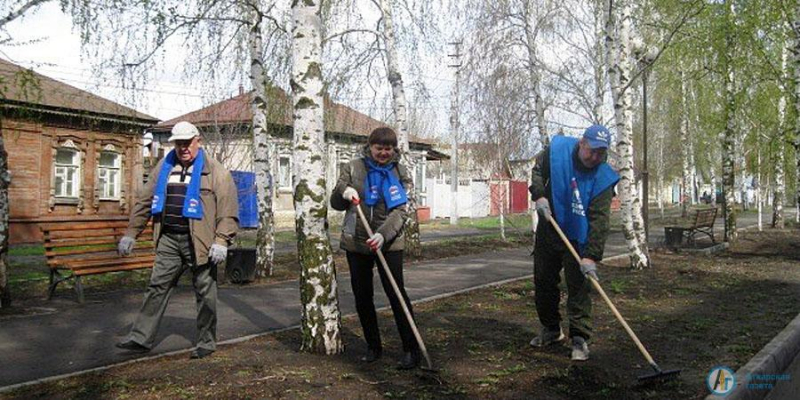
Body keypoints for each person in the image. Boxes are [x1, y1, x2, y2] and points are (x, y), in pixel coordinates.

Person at [115, 121, 239, 359]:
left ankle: (206, 342)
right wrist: (131, 233)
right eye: (178, 143)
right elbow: (144, 201)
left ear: (197, 141)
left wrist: (222, 240)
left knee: (205, 293)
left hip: (201, 243)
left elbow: (228, 211)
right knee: (156, 287)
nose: (183, 148)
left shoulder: (216, 172)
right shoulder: (164, 166)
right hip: (169, 239)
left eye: (187, 143)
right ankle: (140, 337)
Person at [330, 127, 421, 369]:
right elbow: (336, 203)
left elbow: (401, 211)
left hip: (389, 243)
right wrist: (344, 191)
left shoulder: (400, 171)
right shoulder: (353, 167)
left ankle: (411, 350)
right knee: (362, 296)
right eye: (379, 147)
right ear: (370, 146)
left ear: (394, 149)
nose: (383, 152)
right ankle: (373, 346)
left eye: (388, 148)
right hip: (357, 242)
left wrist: (382, 235)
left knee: (396, 294)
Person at [528, 124, 619, 361]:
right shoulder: (557, 150)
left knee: (578, 287)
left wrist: (591, 256)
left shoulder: (604, 177)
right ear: (581, 143)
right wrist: (539, 195)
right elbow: (538, 170)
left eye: (601, 153)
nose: (595, 157)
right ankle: (551, 329)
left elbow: (600, 221)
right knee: (544, 280)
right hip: (551, 227)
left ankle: (579, 338)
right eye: (591, 150)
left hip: (578, 237)